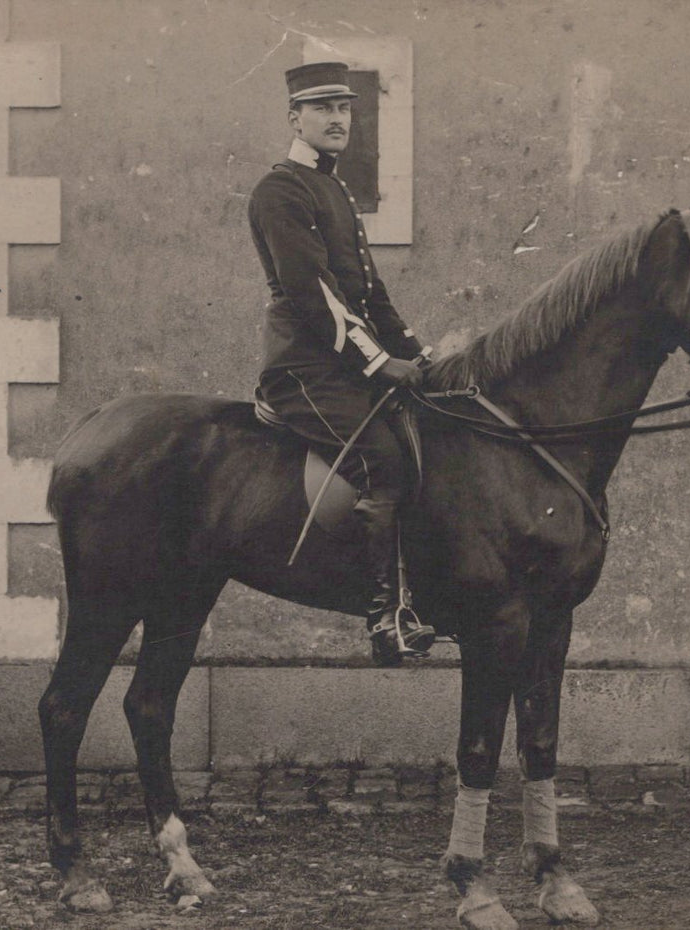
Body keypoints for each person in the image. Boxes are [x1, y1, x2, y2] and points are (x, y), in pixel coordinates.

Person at [248, 61, 435, 667]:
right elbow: (314, 291)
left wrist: (418, 354)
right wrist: (379, 363)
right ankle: (385, 616)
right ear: (294, 117)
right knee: (381, 460)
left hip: (343, 366)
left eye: (344, 109)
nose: (337, 120)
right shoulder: (281, 190)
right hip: (303, 370)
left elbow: (369, 293)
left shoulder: (334, 188)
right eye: (322, 108)